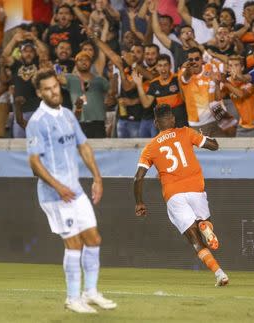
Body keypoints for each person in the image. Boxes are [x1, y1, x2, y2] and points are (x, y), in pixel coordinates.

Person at [26, 68, 117, 313]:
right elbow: (35, 163)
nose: (53, 92)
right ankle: (72, 298)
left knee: (94, 239)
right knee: (74, 244)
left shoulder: (67, 114)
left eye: (55, 87)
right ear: (39, 92)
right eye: (47, 89)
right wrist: (58, 187)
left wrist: (97, 178)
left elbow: (83, 145)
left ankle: (90, 292)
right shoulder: (37, 122)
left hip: (75, 191)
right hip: (54, 195)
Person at [134, 104, 229, 287]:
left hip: (174, 194)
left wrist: (139, 202)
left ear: (155, 123)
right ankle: (205, 225)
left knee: (194, 239)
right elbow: (214, 146)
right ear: (173, 119)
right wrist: (205, 136)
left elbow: (138, 178)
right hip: (196, 189)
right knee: (204, 224)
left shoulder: (150, 147)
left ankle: (220, 274)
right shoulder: (186, 132)